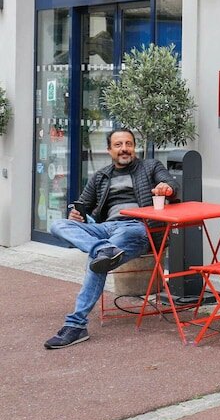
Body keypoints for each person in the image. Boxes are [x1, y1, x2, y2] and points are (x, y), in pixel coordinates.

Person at [44, 128, 179, 349]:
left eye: (128, 144)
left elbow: (172, 185)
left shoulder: (150, 167)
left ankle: (76, 326)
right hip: (106, 229)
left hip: (137, 228)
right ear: (109, 150)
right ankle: (102, 249)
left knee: (99, 261)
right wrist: (76, 213)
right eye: (118, 145)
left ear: (135, 147)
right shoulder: (101, 176)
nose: (124, 149)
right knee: (58, 224)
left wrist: (167, 188)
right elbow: (83, 204)